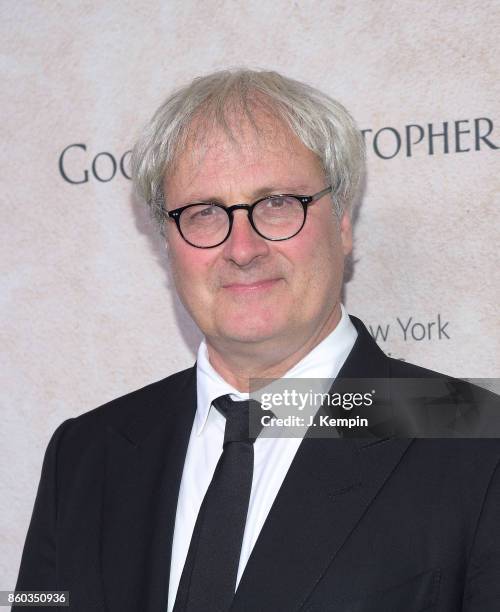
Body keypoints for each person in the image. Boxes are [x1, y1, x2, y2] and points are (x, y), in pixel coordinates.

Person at [14, 69, 500, 611]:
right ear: (167, 245)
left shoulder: (476, 439)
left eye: (277, 204)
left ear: (342, 222)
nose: (242, 248)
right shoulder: (84, 455)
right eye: (203, 213)